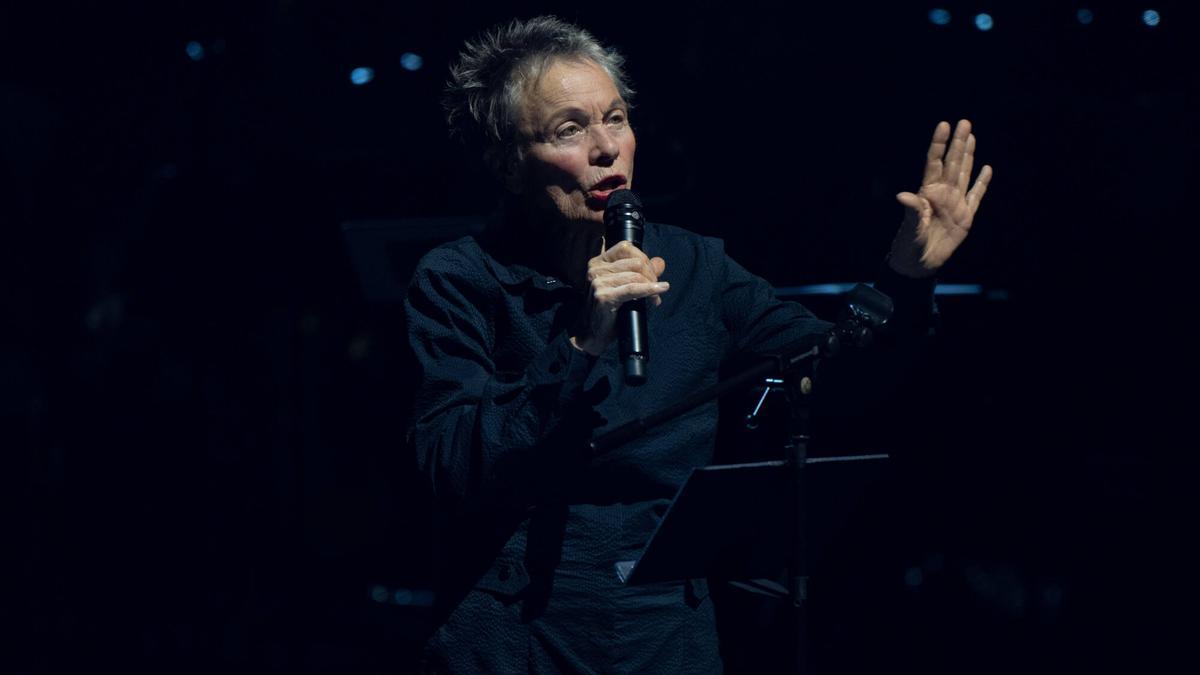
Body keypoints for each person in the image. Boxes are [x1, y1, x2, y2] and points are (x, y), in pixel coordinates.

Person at [405, 15, 992, 674]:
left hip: (663, 632)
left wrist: (905, 277)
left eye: (616, 118)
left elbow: (830, 377)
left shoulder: (697, 268)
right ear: (507, 163)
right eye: (569, 129)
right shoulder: (460, 279)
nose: (606, 148)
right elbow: (451, 466)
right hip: (514, 634)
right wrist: (578, 340)